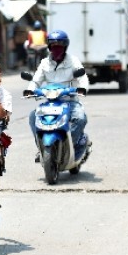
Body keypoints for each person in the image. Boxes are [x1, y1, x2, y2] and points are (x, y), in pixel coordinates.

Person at [27, 30, 90, 162]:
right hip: (50, 102)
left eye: (59, 45)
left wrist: (83, 88)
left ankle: (74, 144)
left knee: (80, 118)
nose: (56, 48)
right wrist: (30, 90)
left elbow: (82, 78)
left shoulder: (73, 61)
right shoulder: (44, 63)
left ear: (65, 46)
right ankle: (41, 148)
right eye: (53, 45)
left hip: (70, 100)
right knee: (33, 117)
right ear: (49, 47)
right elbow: (36, 80)